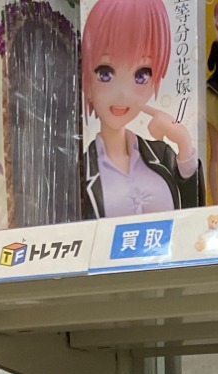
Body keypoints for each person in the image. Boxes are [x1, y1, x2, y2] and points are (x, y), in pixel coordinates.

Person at [82, 0, 203, 217]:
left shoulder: (162, 156)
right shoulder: (81, 172)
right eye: (105, 73)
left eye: (141, 75)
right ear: (87, 83)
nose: (123, 94)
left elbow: (195, 220)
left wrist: (184, 144)